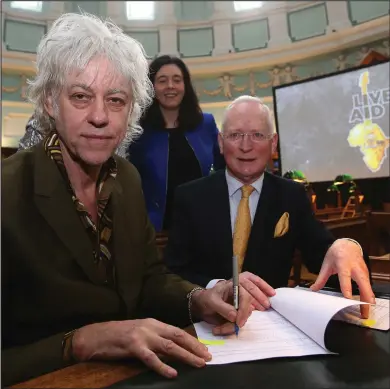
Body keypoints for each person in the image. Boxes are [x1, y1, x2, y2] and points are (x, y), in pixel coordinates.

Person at [2, 14, 253, 387]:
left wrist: (199, 299)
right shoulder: (8, 192)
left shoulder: (128, 177)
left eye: (116, 100)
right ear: (52, 103)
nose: (100, 116)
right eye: (81, 96)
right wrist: (79, 343)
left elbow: (148, 277)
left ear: (131, 111)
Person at [164, 95, 375, 317]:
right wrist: (217, 288)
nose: (246, 146)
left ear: (273, 143)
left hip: (272, 325)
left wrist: (347, 247)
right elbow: (173, 273)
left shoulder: (291, 195)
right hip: (207, 324)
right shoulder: (190, 196)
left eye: (257, 135)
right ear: (220, 142)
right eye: (235, 135)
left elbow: (323, 257)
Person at [127, 55, 225, 232]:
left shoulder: (206, 123)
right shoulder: (138, 130)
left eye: (177, 80)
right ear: (152, 88)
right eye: (162, 81)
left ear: (185, 86)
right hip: (153, 230)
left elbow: (224, 169)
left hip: (202, 225)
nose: (170, 86)